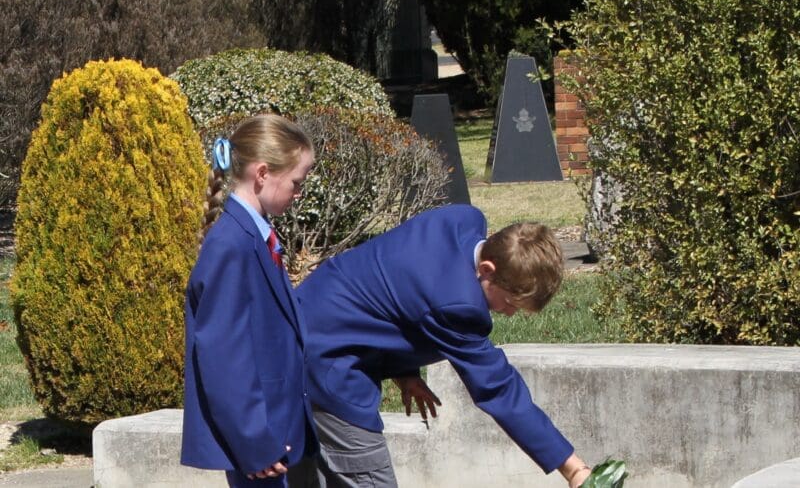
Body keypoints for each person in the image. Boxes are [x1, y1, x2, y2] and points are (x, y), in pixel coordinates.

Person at [294, 203, 592, 488]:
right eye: (511, 302)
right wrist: (573, 468)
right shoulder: (459, 304)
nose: (510, 313)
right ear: (487, 270)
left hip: (303, 324)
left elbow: (395, 290)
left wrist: (405, 370)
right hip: (326, 362)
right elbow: (498, 388)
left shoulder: (461, 221)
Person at [181, 114, 318, 487]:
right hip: (259, 442)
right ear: (262, 174)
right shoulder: (232, 244)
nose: (298, 192)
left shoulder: (256, 237)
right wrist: (253, 441)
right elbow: (223, 356)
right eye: (296, 182)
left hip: (275, 430)